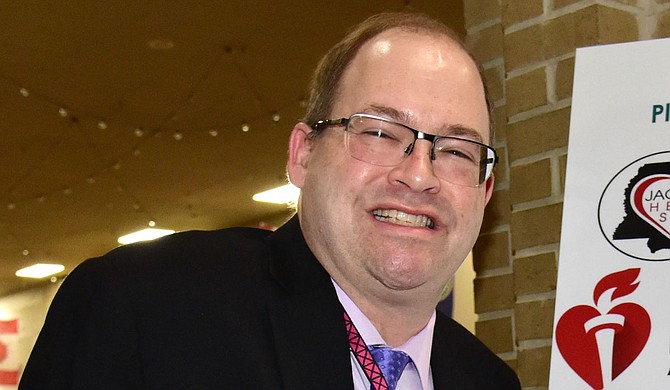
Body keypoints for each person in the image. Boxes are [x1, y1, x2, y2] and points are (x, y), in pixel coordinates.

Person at [19, 11, 521, 390]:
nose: (419, 174)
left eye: (456, 150)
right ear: (303, 155)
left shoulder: (488, 381)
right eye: (380, 133)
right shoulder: (144, 310)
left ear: (486, 192)